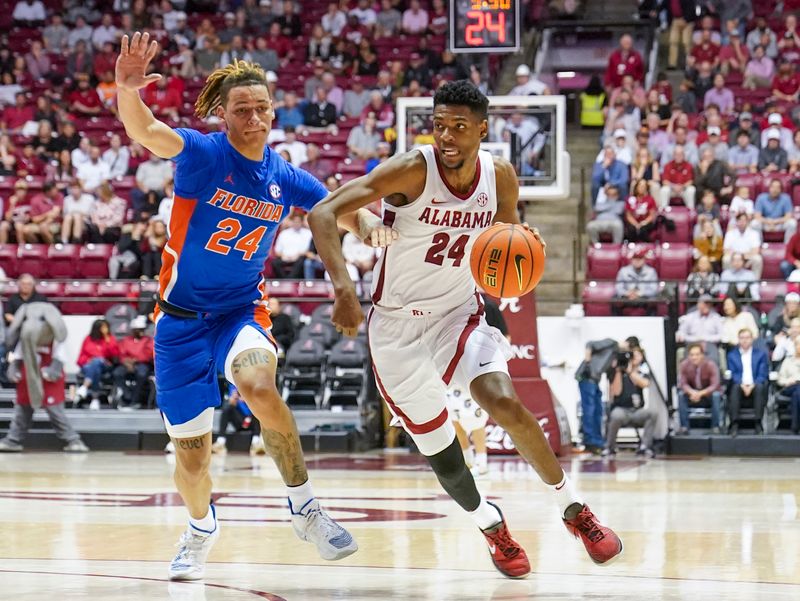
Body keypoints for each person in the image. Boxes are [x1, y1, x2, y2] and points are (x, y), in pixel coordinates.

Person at [307, 80, 623, 577]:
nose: (447, 137)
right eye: (439, 126)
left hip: (458, 311)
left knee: (504, 401)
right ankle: (491, 525)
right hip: (396, 328)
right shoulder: (412, 168)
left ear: (482, 129)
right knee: (443, 452)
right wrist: (344, 288)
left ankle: (574, 509)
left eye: (459, 127)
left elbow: (506, 240)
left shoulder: (500, 176)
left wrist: (523, 245)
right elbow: (324, 210)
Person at [115, 33, 363, 580]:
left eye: (262, 108)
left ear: (274, 112)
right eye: (242, 109)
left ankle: (306, 508)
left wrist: (380, 227)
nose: (254, 117)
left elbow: (338, 211)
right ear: (223, 116)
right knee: (193, 462)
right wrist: (127, 90)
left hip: (239, 312)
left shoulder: (285, 176)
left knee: (259, 387)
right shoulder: (204, 155)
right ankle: (201, 526)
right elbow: (146, 130)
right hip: (178, 324)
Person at [0, 302, 89, 453]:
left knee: (55, 411)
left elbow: (60, 359)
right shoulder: (25, 339)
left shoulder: (56, 339)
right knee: (22, 410)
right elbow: (18, 357)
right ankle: (13, 440)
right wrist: (14, 368)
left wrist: (53, 370)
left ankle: (73, 439)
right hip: (28, 376)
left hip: (49, 379)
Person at [603, 345, 658, 457]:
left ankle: (645, 447)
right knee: (616, 415)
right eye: (633, 355)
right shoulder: (618, 372)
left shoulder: (643, 372)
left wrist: (630, 372)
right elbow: (616, 393)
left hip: (637, 411)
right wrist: (618, 371)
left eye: (638, 355)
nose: (635, 357)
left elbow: (644, 384)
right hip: (621, 410)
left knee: (653, 413)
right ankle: (609, 447)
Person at [726, 328, 769, 436]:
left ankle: (758, 423)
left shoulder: (760, 354)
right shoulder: (732, 355)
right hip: (739, 384)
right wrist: (742, 384)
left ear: (752, 339)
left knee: (760, 387)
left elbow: (762, 373)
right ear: (738, 340)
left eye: (747, 338)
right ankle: (734, 423)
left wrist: (752, 385)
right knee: (734, 388)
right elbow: (733, 373)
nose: (745, 340)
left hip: (755, 383)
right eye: (742, 338)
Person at [677, 342, 722, 434]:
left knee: (716, 395)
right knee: (681, 395)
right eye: (692, 355)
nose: (694, 357)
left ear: (702, 355)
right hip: (692, 393)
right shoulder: (684, 365)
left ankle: (715, 427)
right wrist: (692, 392)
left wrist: (700, 393)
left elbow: (715, 385)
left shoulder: (711, 365)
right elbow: (683, 383)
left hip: (707, 394)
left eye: (697, 354)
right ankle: (684, 426)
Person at [112, 315, 154, 409]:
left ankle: (135, 399)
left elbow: (148, 354)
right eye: (139, 329)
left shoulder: (148, 340)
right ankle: (127, 395)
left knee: (141, 374)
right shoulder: (126, 340)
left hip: (142, 363)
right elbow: (121, 353)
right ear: (134, 330)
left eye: (142, 329)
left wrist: (135, 360)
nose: (141, 332)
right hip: (127, 364)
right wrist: (126, 362)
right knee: (117, 373)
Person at [75, 318, 120, 409]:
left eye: (106, 327)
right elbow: (80, 357)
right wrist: (87, 361)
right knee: (95, 368)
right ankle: (95, 399)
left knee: (97, 361)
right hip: (89, 365)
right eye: (103, 327)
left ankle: (85, 387)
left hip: (106, 365)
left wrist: (107, 339)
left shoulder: (110, 339)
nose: (105, 329)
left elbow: (115, 355)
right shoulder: (88, 339)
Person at [211, 385, 266, 455]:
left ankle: (256, 443)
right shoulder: (233, 387)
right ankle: (220, 442)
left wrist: (247, 399)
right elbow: (231, 402)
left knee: (258, 409)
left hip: (252, 419)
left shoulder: (253, 385)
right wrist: (233, 401)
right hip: (239, 419)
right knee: (227, 409)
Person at [676, 294, 724, 362]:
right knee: (689, 361)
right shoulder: (690, 317)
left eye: (709, 303)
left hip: (710, 344)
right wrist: (695, 339)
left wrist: (706, 338)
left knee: (713, 360)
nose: (707, 305)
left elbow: (722, 335)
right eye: (705, 303)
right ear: (698, 304)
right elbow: (681, 333)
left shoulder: (716, 317)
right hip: (692, 344)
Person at [613, 247, 659, 315]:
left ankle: (651, 322)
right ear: (631, 259)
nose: (637, 260)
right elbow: (618, 287)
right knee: (614, 299)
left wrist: (639, 294)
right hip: (627, 297)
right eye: (635, 258)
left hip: (643, 298)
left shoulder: (651, 271)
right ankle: (616, 322)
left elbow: (653, 289)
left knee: (654, 300)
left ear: (644, 259)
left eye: (640, 258)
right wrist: (627, 293)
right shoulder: (623, 270)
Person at [753, 178, 796, 243]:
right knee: (754, 223)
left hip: (780, 223)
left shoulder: (786, 198)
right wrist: (768, 222)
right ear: (769, 188)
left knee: (792, 223)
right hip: (766, 223)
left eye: (777, 187)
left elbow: (788, 216)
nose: (775, 190)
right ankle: (758, 246)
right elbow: (757, 216)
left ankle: (788, 246)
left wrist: (775, 222)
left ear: (781, 189)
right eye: (773, 187)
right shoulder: (761, 198)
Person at [776, 336, 800, 434]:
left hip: (796, 390)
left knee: (797, 394)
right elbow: (780, 379)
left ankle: (795, 426)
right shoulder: (788, 360)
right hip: (790, 386)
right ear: (795, 346)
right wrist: (787, 382)